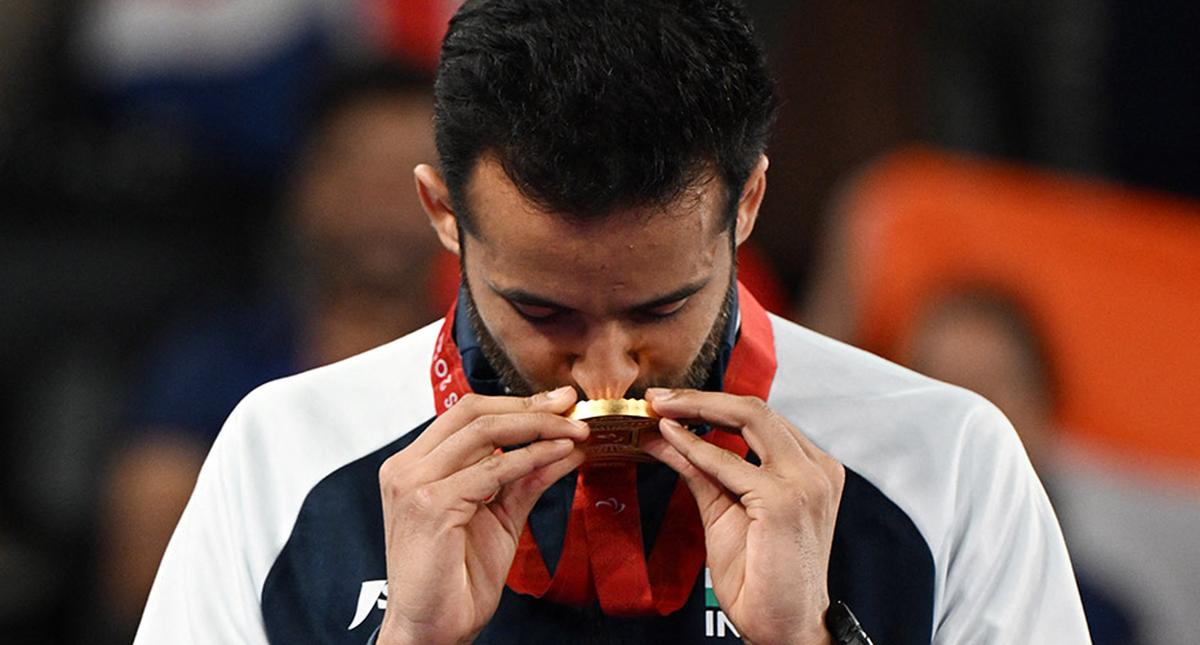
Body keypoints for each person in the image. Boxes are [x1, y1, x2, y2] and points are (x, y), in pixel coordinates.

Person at [135, 1, 1091, 643]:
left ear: (748, 203)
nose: (607, 372)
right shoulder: (284, 452)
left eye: (660, 307)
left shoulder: (948, 460)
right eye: (541, 309)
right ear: (442, 214)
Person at [101, 62, 449, 640]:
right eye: (359, 169)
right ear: (305, 184)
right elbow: (140, 573)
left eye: (407, 175)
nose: (385, 202)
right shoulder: (211, 361)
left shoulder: (496, 369)